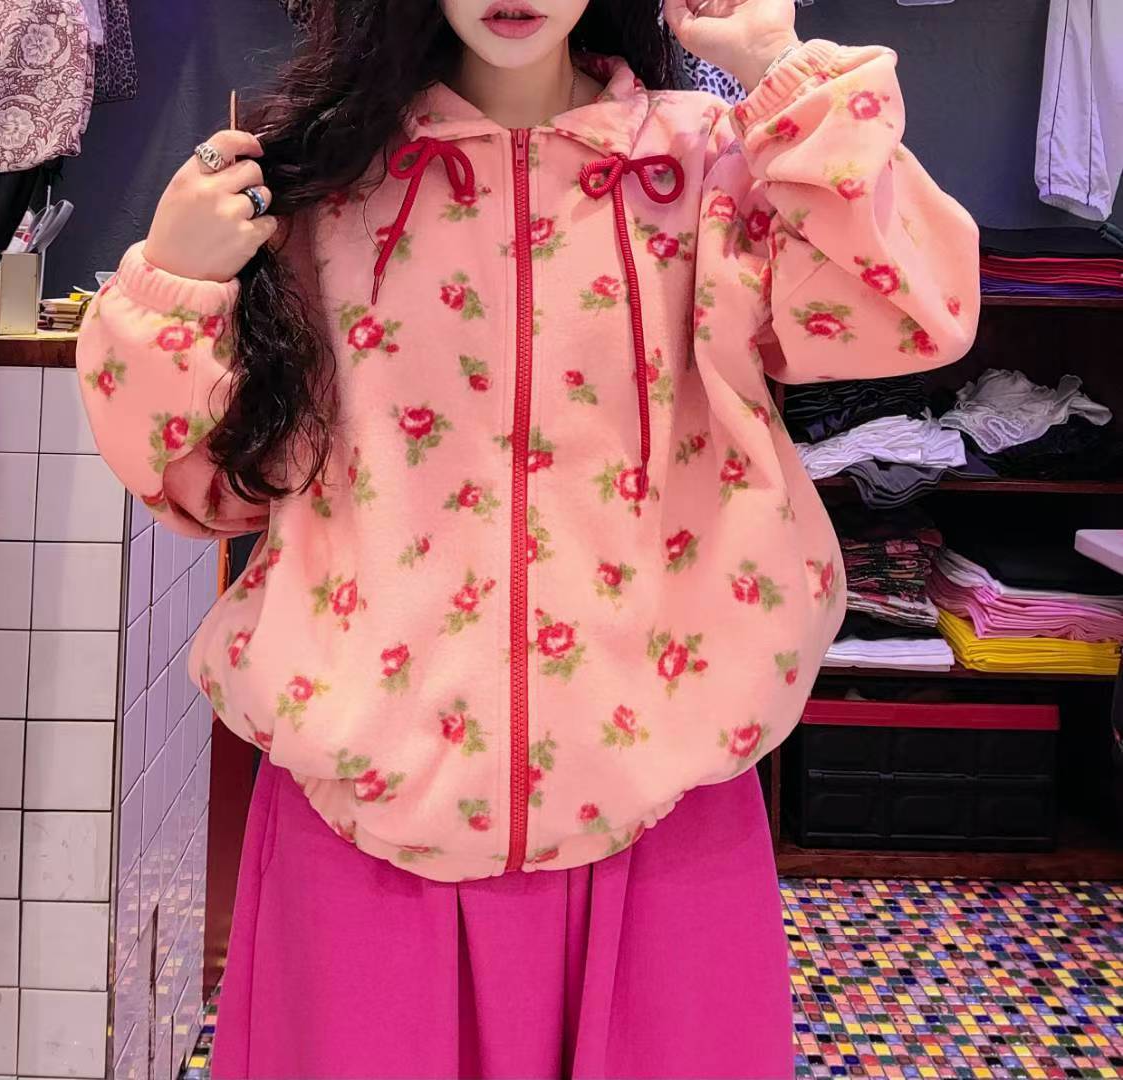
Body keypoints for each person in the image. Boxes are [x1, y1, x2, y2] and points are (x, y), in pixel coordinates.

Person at [77, 1, 979, 1076]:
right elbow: (201, 483)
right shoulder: (321, 182)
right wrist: (175, 284)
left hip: (662, 798)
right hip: (364, 803)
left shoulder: (709, 167)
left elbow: (913, 313)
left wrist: (778, 68)